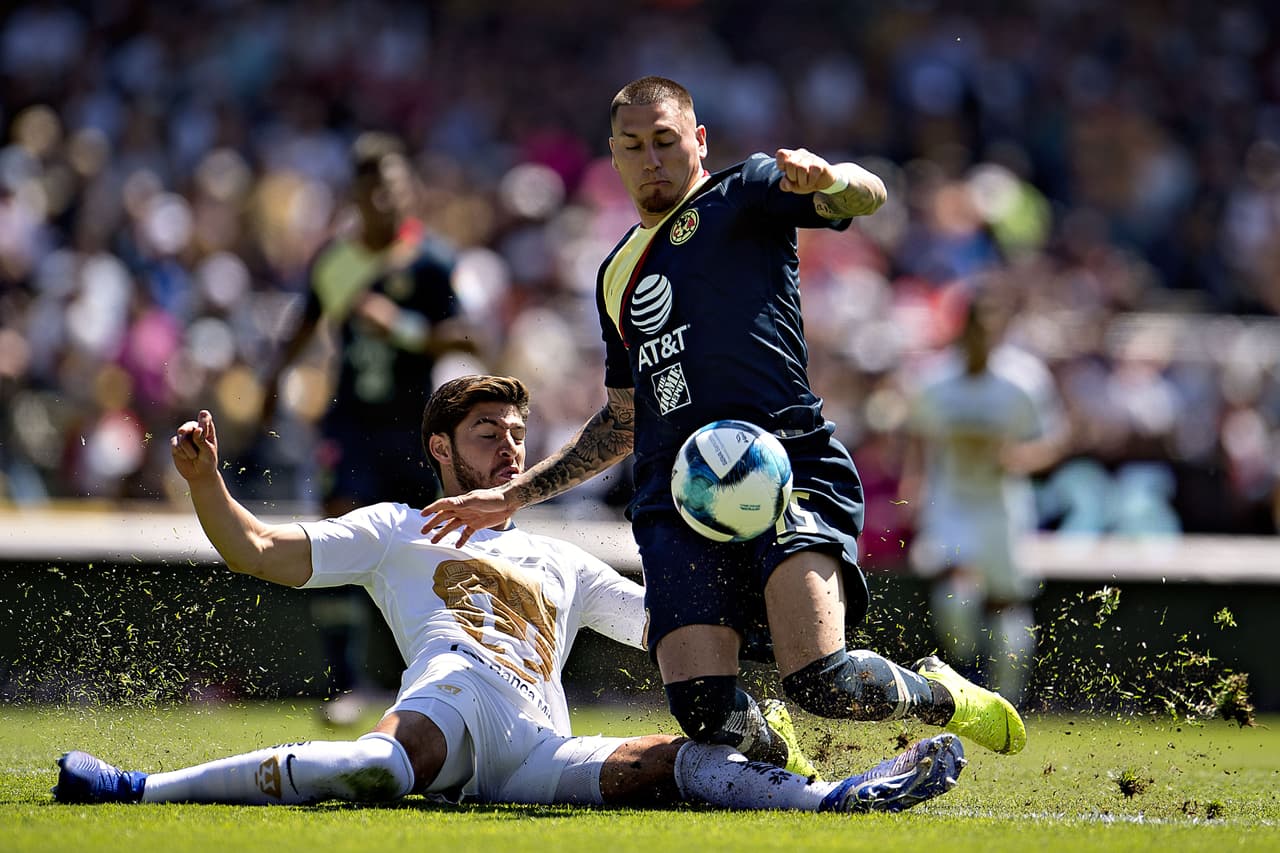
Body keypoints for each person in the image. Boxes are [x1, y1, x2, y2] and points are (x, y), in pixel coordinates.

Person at [420, 77, 1026, 760]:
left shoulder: (746, 191)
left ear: (698, 141)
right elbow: (624, 421)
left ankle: (943, 694)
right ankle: (784, 758)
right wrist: (514, 492)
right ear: (613, 157)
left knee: (825, 682)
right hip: (675, 499)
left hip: (782, 465)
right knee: (706, 710)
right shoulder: (615, 273)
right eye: (633, 146)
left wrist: (833, 176)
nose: (651, 158)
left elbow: (862, 194)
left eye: (666, 141)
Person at [53, 375, 965, 813]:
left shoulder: (561, 559)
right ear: (442, 447)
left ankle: (836, 799)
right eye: (489, 432)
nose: (512, 448)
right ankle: (138, 789)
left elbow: (668, 629)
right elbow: (256, 551)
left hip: (538, 745)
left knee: (673, 764)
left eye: (520, 433)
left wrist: (764, 581)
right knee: (376, 766)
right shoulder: (393, 528)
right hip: (449, 700)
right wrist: (207, 481)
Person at [259, 131, 477, 721]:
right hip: (349, 422)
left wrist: (402, 326)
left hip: (413, 429)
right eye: (373, 187)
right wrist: (267, 386)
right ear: (356, 193)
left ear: (408, 192)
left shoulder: (430, 260)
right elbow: (302, 325)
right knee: (339, 528)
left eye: (394, 186)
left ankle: (428, 679)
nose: (384, 198)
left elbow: (467, 334)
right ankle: (345, 682)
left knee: (421, 544)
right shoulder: (336, 260)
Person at [899, 297, 1070, 705]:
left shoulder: (1024, 380)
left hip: (1002, 506)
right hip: (952, 503)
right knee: (954, 595)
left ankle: (1009, 700)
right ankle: (963, 677)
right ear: (965, 328)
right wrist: (915, 481)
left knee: (1007, 605)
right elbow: (919, 434)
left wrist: (1020, 458)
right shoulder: (935, 379)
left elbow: (1054, 437)